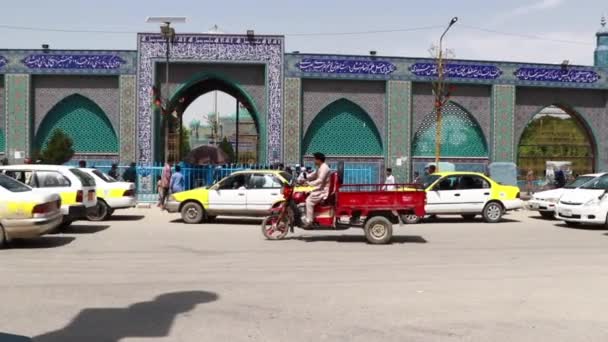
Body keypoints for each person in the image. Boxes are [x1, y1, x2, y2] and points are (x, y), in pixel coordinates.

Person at [302, 152, 331, 227]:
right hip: (319, 189)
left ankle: (309, 221)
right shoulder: (320, 167)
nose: (314, 161)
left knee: (309, 201)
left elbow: (320, 180)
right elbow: (313, 175)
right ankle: (309, 216)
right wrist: (304, 178)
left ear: (319, 160)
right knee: (305, 193)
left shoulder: (324, 168)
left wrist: (309, 184)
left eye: (315, 159)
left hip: (322, 191)